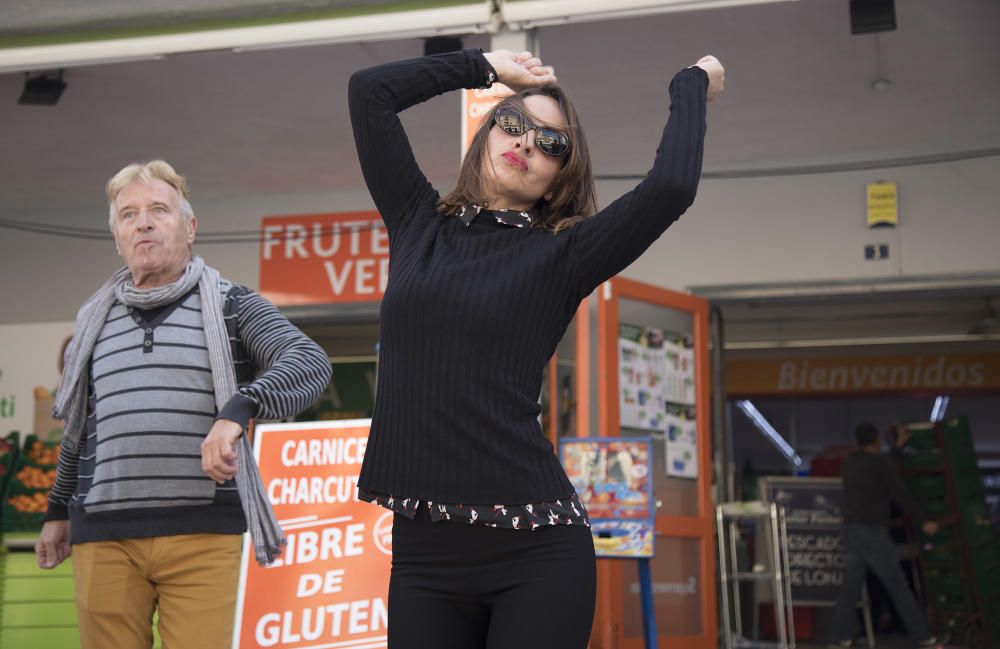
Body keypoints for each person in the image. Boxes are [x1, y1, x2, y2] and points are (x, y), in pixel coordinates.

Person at [348, 47, 724, 649]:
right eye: (514, 123)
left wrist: (692, 83)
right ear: (489, 131)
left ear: (561, 178)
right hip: (422, 558)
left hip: (535, 554)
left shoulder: (563, 255)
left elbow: (671, 186)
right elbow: (369, 93)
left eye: (552, 144)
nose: (525, 143)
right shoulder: (419, 222)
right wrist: (485, 67)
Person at [35, 160, 332, 649]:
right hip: (103, 537)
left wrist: (238, 410)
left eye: (158, 210)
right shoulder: (90, 323)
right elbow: (80, 431)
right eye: (128, 215)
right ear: (117, 236)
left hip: (205, 535)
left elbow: (308, 361)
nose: (144, 222)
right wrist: (55, 510)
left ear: (190, 227)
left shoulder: (233, 305)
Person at [828, 422, 946, 649]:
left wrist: (896, 450)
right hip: (874, 533)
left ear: (857, 441)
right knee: (898, 586)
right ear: (877, 440)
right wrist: (924, 521)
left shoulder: (850, 464)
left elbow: (876, 468)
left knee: (849, 590)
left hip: (851, 532)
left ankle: (837, 638)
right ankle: (922, 636)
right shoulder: (881, 463)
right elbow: (900, 492)